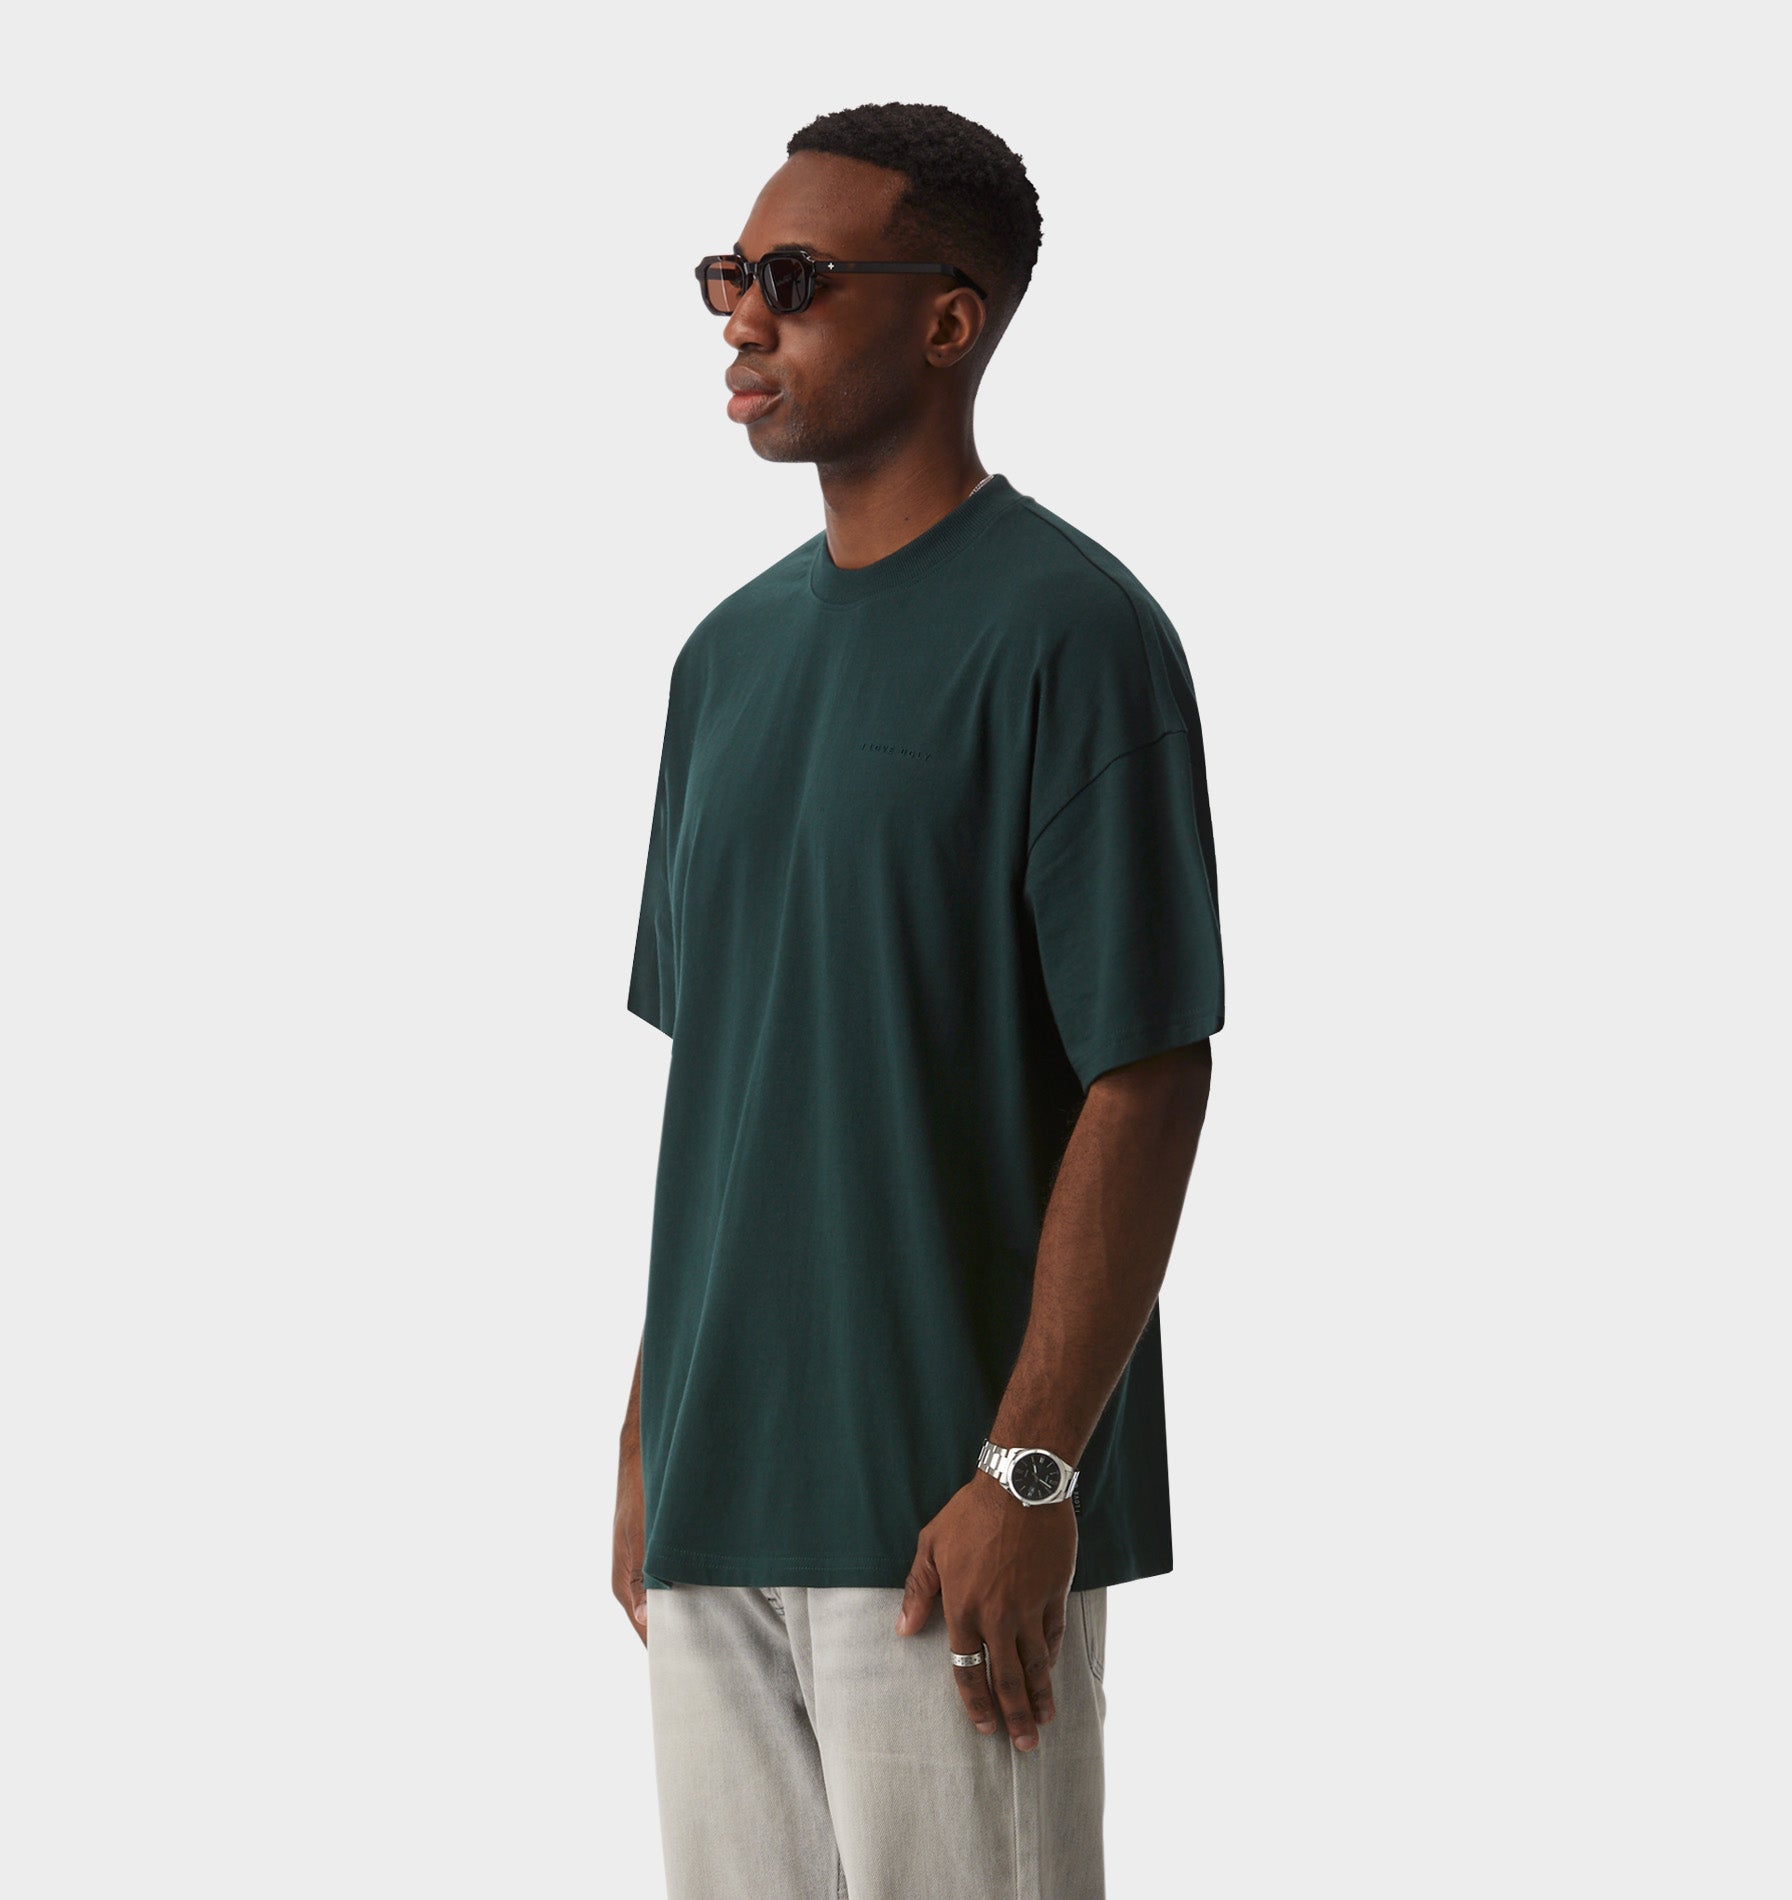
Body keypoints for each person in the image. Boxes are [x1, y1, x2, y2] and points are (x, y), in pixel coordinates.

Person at [616, 100, 1224, 1900]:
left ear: (949, 320)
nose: (745, 318)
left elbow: (1148, 1074)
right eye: (731, 276)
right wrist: (653, 1428)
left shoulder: (1073, 634)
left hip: (946, 1517)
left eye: (796, 280)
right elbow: (733, 1092)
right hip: (722, 1500)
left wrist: (1033, 1476)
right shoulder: (722, 663)